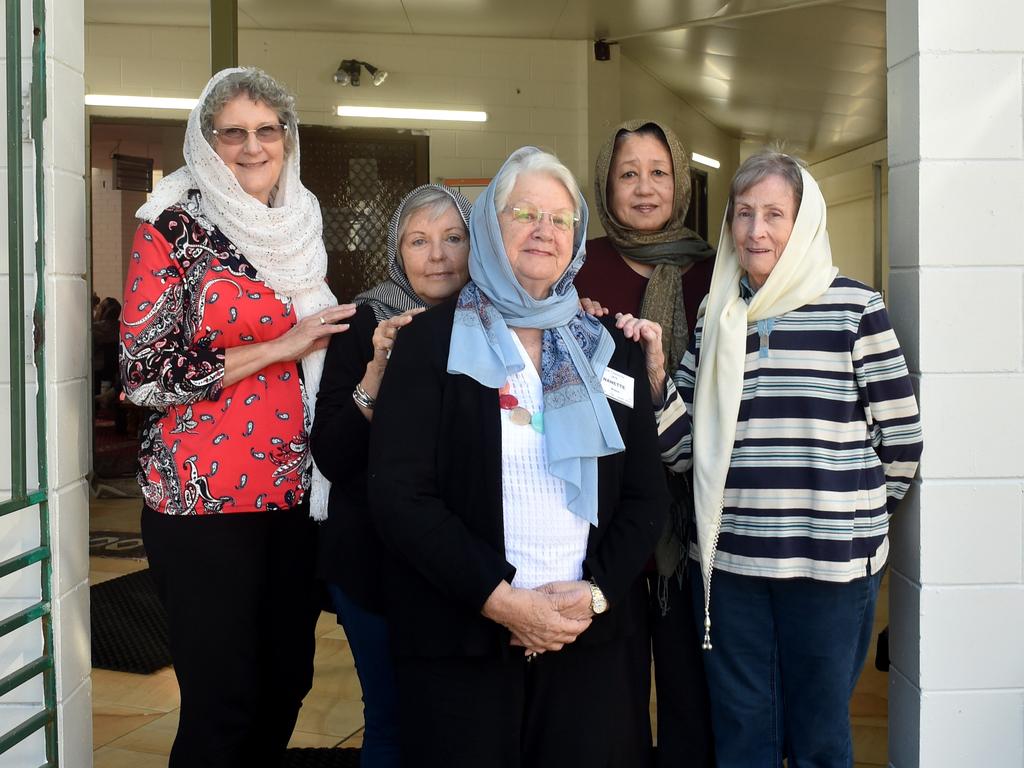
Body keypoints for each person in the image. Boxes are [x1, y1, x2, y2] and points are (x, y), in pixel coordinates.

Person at [617, 151, 923, 767]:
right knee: (742, 734)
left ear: (803, 221)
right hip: (732, 569)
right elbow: (683, 453)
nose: (757, 231)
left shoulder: (855, 310)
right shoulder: (715, 316)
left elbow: (902, 441)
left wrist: (845, 515)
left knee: (817, 736)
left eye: (775, 214)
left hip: (830, 570)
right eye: (744, 213)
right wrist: (654, 376)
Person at [367, 147, 669, 768]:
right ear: (489, 228)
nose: (543, 230)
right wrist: (500, 600)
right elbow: (400, 496)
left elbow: (645, 495)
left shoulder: (610, 348)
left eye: (560, 219)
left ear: (577, 237)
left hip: (591, 643)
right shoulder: (428, 345)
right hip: (465, 642)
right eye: (524, 212)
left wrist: (595, 596)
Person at [119, 67, 354, 767]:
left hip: (291, 501)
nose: (253, 147)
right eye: (234, 134)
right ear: (206, 142)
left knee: (288, 682)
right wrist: (279, 348)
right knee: (223, 703)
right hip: (201, 508)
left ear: (288, 138)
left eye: (267, 131)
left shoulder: (299, 222)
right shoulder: (172, 228)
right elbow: (143, 374)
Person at [310, 183, 472, 768]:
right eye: (419, 241)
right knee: (391, 722)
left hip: (462, 562)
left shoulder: (497, 323)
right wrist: (378, 369)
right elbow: (332, 454)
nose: (437, 256)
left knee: (460, 724)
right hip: (374, 562)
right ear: (396, 251)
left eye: (453, 238)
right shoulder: (366, 321)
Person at [575, 118, 715, 768]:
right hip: (603, 520)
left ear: (680, 180)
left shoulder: (716, 272)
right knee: (610, 704)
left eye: (658, 171)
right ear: (606, 182)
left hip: (696, 524)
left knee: (695, 702)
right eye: (627, 172)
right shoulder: (579, 265)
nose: (644, 186)